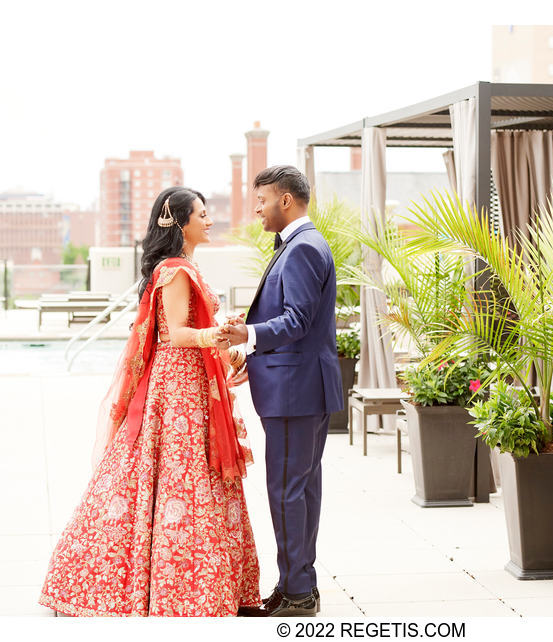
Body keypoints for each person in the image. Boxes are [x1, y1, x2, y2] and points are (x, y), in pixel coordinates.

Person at [38, 187, 260, 616]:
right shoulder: (175, 270)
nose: (209, 220)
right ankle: (169, 591)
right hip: (176, 390)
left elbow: (191, 330)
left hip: (189, 382)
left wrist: (227, 347)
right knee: (180, 477)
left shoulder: (187, 267)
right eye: (201, 213)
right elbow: (173, 334)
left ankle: (193, 585)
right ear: (178, 222)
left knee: (188, 478)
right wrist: (215, 334)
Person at [220, 165, 342, 617]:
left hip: (296, 393)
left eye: (262, 200)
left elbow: (297, 321)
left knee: (289, 491)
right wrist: (253, 344)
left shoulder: (303, 249)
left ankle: (296, 592)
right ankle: (297, 586)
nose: (257, 209)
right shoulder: (301, 245)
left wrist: (246, 337)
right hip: (299, 388)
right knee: (301, 491)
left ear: (285, 200)